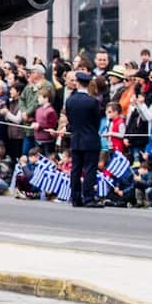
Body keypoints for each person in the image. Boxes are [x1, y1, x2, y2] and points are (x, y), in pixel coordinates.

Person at [65, 71, 103, 207]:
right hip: (90, 138)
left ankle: (75, 197)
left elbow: (70, 120)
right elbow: (96, 122)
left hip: (76, 138)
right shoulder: (93, 102)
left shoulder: (70, 101)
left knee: (76, 169)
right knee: (90, 169)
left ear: (78, 83)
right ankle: (88, 197)